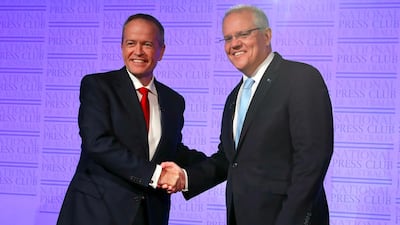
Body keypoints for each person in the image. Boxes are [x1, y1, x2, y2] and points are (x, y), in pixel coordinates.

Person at [161, 4, 334, 225]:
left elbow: (312, 159)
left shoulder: (300, 78)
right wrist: (187, 178)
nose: (234, 44)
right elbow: (230, 160)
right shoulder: (235, 96)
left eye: (243, 34)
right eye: (227, 38)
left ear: (267, 35)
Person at [56, 13, 206, 225]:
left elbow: (168, 150)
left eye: (147, 44)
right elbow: (97, 143)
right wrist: (157, 175)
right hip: (96, 214)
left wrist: (223, 165)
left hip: (150, 215)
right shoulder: (98, 86)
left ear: (161, 51)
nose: (138, 51)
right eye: (131, 43)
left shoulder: (174, 101)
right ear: (122, 47)